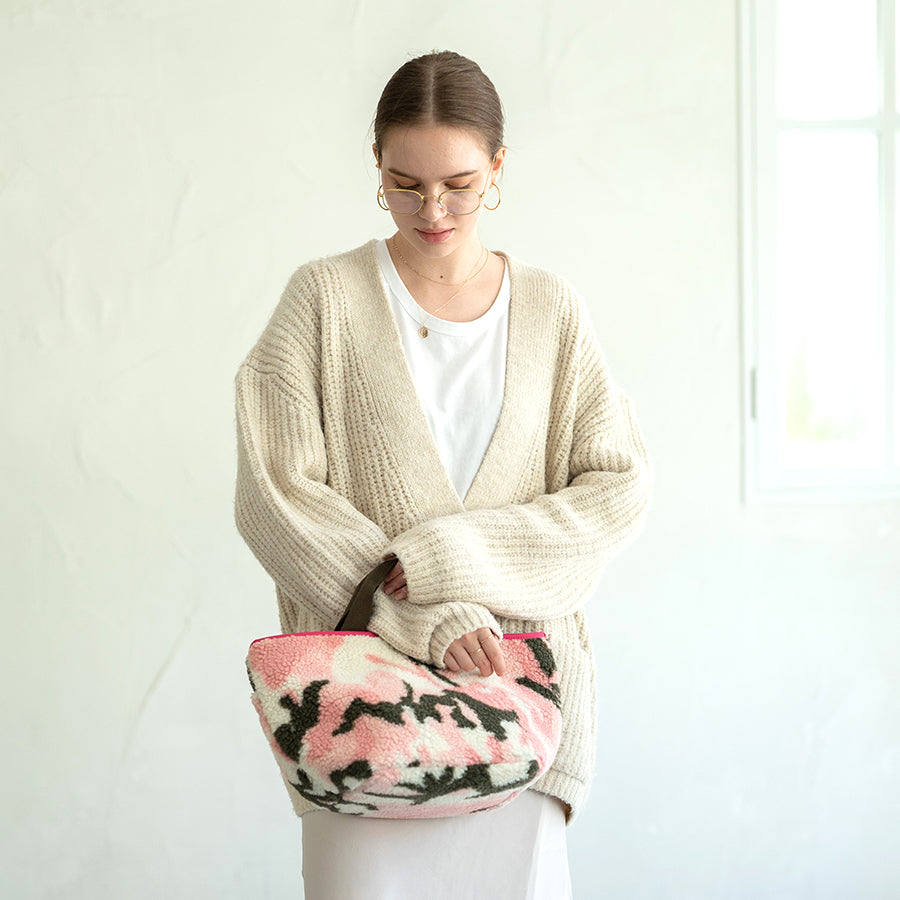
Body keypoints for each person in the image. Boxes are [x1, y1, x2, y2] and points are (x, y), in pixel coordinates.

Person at [235, 50, 652, 900]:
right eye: (406, 184)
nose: (433, 210)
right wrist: (419, 613)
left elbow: (617, 489)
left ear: (497, 168)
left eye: (459, 185)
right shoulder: (323, 301)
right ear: (376, 167)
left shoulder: (552, 311)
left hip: (518, 713)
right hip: (368, 729)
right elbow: (275, 495)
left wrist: (449, 558)